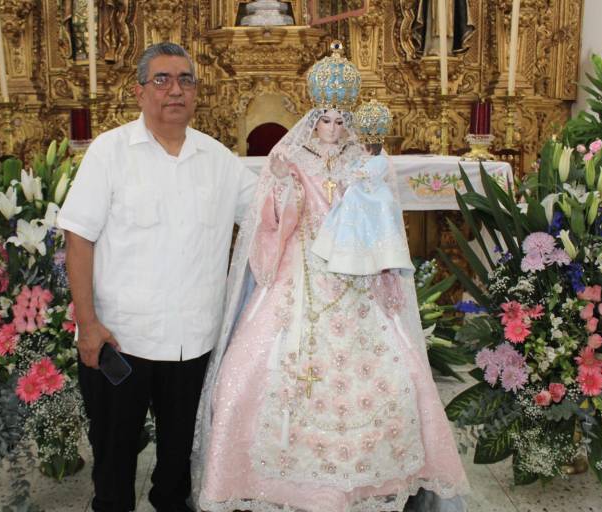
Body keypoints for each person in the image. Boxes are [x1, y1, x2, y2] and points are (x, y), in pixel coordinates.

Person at [192, 43, 469, 512]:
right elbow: (271, 226)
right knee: (248, 372)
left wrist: (370, 197)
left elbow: (383, 223)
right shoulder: (292, 158)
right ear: (313, 118)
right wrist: (283, 189)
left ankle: (361, 483)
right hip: (298, 276)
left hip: (356, 279)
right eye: (326, 119)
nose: (334, 129)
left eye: (343, 121)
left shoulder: (364, 162)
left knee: (396, 371)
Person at [58, 42, 257, 512]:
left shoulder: (219, 160)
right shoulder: (110, 152)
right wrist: (87, 324)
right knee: (113, 465)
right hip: (122, 339)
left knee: (177, 469)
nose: (175, 90)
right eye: (162, 80)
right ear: (139, 91)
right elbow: (79, 239)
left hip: (193, 344)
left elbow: (272, 214)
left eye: (186, 80)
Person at [312, 99, 415, 276]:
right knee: (343, 215)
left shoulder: (379, 160)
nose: (332, 129)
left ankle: (380, 257)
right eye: (326, 121)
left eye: (339, 122)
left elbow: (371, 172)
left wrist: (357, 174)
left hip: (373, 194)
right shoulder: (359, 158)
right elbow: (351, 169)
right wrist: (349, 173)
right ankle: (342, 253)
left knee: (375, 217)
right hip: (357, 192)